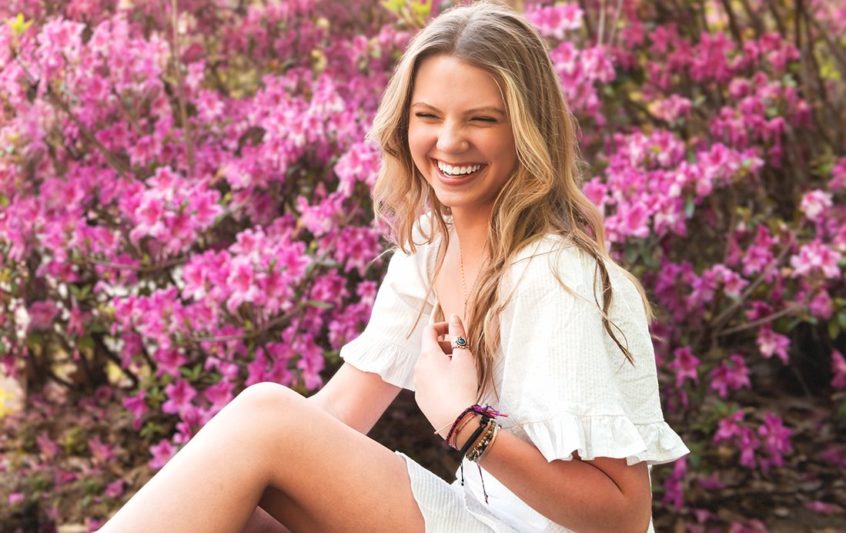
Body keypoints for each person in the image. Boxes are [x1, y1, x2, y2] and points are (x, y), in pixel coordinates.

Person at [100, 1, 689, 531]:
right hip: (469, 514)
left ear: (527, 131)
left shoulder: (557, 277)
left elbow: (622, 515)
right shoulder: (432, 247)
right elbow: (334, 418)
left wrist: (465, 425)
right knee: (238, 491)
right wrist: (223, 487)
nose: (449, 142)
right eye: (429, 115)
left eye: (481, 119)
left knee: (264, 413)